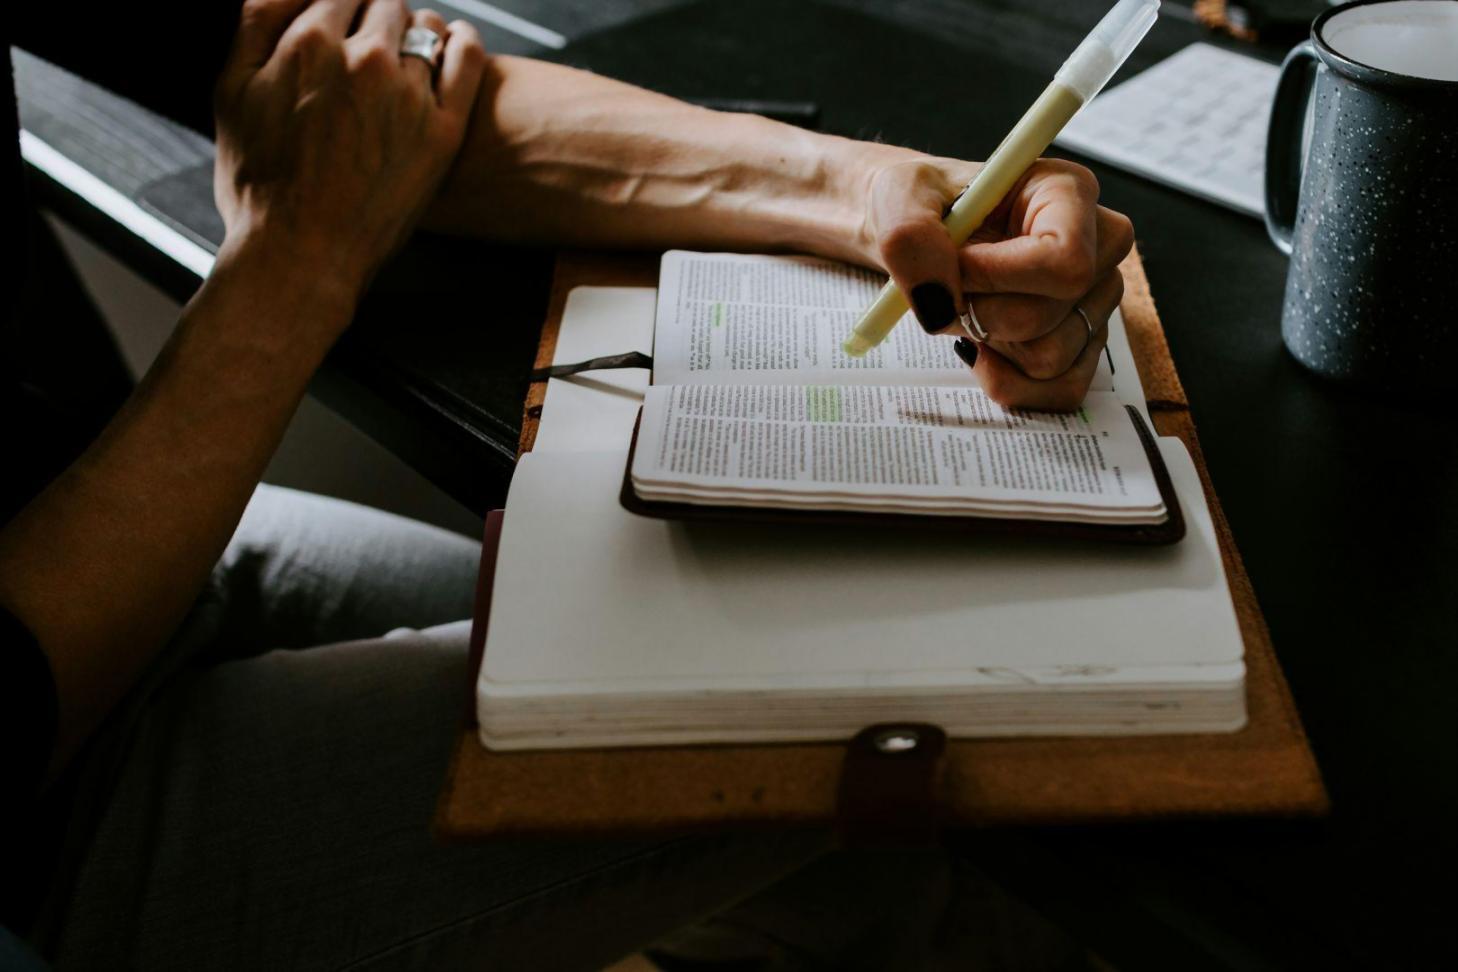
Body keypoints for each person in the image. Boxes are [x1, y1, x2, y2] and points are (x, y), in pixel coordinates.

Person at [1, 1, 1134, 968]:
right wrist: (289, 271)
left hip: (82, 526)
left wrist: (876, 193)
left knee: (861, 854)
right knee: (888, 720)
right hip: (40, 818)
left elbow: (372, 90)